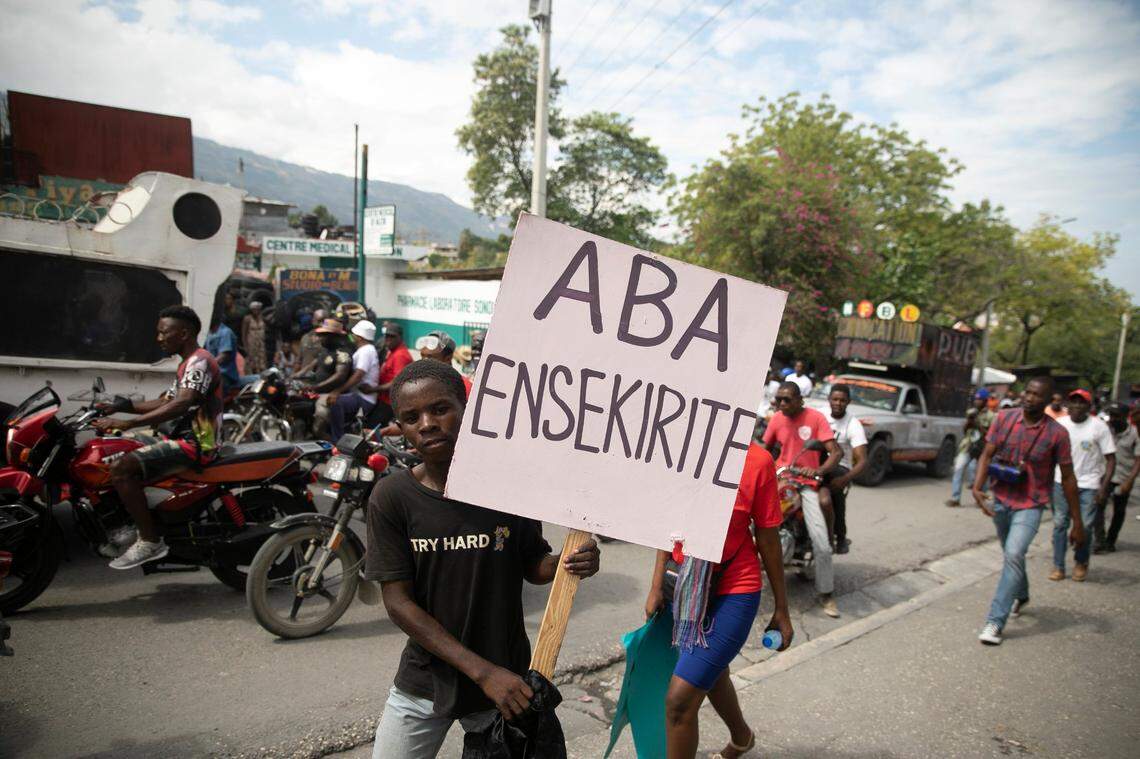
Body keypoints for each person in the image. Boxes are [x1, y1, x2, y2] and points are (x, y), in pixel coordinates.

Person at [365, 360, 601, 758]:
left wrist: (568, 562)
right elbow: (398, 603)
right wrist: (483, 672)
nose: (427, 423)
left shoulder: (507, 488)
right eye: (411, 417)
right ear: (401, 428)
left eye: (440, 409)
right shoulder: (391, 498)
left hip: (505, 687)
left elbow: (534, 564)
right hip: (428, 682)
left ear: (466, 408)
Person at [643, 442, 793, 759]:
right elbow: (667, 525)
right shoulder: (682, 444)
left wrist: (782, 608)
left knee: (680, 701)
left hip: (735, 588)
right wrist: (656, 585)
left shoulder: (757, 461)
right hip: (686, 590)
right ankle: (742, 737)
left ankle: (741, 737)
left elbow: (767, 536)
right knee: (711, 672)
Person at [90, 306, 222, 569]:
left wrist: (127, 423)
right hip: (181, 438)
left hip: (197, 444)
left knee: (122, 469)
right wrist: (119, 405)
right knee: (110, 451)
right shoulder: (187, 362)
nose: (159, 338)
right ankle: (135, 520)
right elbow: (165, 401)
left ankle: (150, 540)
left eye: (164, 333)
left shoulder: (200, 361)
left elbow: (181, 404)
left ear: (183, 333)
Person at [972, 376, 1083, 645]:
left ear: (1047, 402)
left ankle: (995, 622)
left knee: (1013, 552)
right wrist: (977, 487)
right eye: (1028, 393)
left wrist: (1077, 523)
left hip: (1031, 503)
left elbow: (1068, 478)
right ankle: (1021, 593)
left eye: (1037, 395)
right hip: (1001, 497)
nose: (1030, 398)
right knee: (1011, 554)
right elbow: (987, 452)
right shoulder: (1005, 418)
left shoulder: (1057, 433)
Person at [761, 381, 844, 617]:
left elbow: (836, 452)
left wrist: (818, 471)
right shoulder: (777, 418)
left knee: (822, 543)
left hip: (806, 484)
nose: (782, 404)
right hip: (780, 479)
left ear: (800, 400)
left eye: (787, 400)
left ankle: (826, 593)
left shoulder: (816, 418)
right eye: (779, 399)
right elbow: (765, 449)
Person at [1050, 389, 1115, 581]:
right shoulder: (1059, 424)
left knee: (1085, 526)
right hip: (1061, 482)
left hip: (1089, 484)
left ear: (1089, 407)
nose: (1077, 406)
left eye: (1082, 403)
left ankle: (1081, 562)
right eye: (1074, 402)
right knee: (1060, 524)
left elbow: (1110, 459)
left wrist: (1103, 489)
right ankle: (1058, 565)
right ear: (1068, 405)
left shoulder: (1098, 427)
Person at [825, 384, 868, 553]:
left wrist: (844, 480)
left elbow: (863, 460)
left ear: (848, 402)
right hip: (815, 463)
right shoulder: (819, 415)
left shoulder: (853, 424)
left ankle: (840, 536)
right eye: (835, 399)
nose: (838, 403)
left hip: (840, 467)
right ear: (829, 399)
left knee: (835, 493)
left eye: (842, 400)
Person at [1096, 404, 1140, 552]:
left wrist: (1129, 481)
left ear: (1125, 417)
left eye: (1116, 416)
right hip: (1105, 475)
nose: (1113, 419)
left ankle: (1111, 540)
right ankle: (1099, 540)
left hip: (1123, 477)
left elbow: (1138, 460)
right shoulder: (1105, 430)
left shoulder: (1134, 434)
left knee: (1119, 510)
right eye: (1111, 415)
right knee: (1098, 505)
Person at [327, 320, 380, 442]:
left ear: (360, 337)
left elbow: (358, 376)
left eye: (354, 334)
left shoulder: (366, 351)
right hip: (359, 395)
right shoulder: (365, 350)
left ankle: (338, 442)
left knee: (337, 402)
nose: (352, 336)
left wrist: (338, 391)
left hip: (364, 398)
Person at [303, 319, 354, 438]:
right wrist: (294, 376)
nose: (320, 338)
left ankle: (332, 444)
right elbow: (311, 366)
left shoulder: (343, 354)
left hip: (329, 394)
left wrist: (316, 387)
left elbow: (340, 376)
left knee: (320, 420)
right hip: (315, 391)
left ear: (334, 336)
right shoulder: (325, 351)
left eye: (324, 335)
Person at [946, 389, 996, 507]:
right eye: (976, 399)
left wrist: (978, 426)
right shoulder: (971, 412)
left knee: (983, 472)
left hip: (982, 448)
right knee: (958, 468)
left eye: (979, 400)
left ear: (985, 401)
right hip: (968, 446)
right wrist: (968, 422)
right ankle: (955, 498)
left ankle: (980, 498)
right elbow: (965, 431)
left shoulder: (991, 416)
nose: (977, 402)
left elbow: (991, 435)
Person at [372, 322, 414, 426]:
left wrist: (373, 389)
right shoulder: (393, 351)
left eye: (392, 336)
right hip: (384, 399)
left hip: (389, 402)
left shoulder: (400, 355)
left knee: (373, 429)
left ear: (400, 337)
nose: (388, 339)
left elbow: (397, 382)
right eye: (386, 336)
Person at [417, 330, 472, 397]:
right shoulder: (419, 384)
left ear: (447, 359)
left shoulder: (464, 387)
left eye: (430, 358)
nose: (423, 362)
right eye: (422, 356)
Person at [205, 316, 240, 392]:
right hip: (212, 373)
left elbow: (223, 356)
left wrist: (206, 365)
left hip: (224, 375)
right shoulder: (209, 333)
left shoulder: (225, 332)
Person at [296, 308, 329, 377]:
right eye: (316, 319)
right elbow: (299, 360)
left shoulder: (329, 339)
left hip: (321, 379)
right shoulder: (306, 337)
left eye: (322, 320)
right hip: (304, 378)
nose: (319, 323)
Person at [241, 300, 268, 374]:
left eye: (257, 309)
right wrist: (245, 347)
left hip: (261, 344)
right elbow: (244, 334)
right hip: (251, 344)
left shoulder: (262, 318)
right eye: (254, 309)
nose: (256, 311)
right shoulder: (247, 319)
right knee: (252, 363)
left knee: (262, 362)